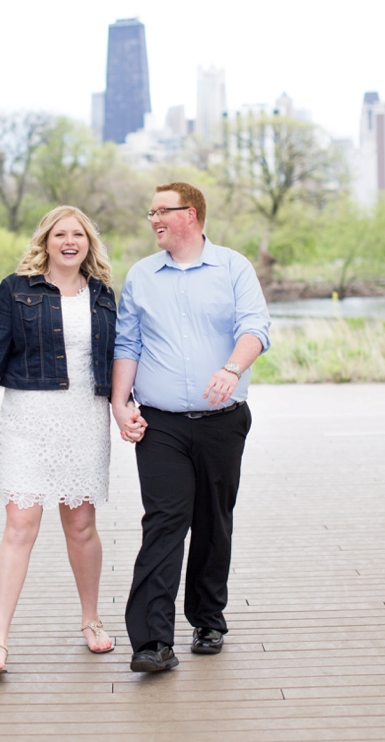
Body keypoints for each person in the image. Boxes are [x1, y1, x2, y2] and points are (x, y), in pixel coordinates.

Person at [0, 205, 128, 675]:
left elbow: (122, 358)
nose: (70, 242)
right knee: (19, 525)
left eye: (79, 234)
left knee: (82, 525)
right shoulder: (16, 290)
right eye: (60, 234)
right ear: (45, 241)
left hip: (85, 418)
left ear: (89, 243)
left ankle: (91, 621)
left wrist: (129, 408)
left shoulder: (104, 295)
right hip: (29, 417)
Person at [112, 181, 271, 673]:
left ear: (192, 215)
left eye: (164, 210)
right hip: (160, 425)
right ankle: (152, 641)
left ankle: (208, 620)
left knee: (212, 521)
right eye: (151, 211)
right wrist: (120, 403)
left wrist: (231, 369)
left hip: (223, 422)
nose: (154, 218)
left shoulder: (232, 267)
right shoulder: (142, 276)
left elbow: (255, 328)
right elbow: (127, 344)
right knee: (163, 523)